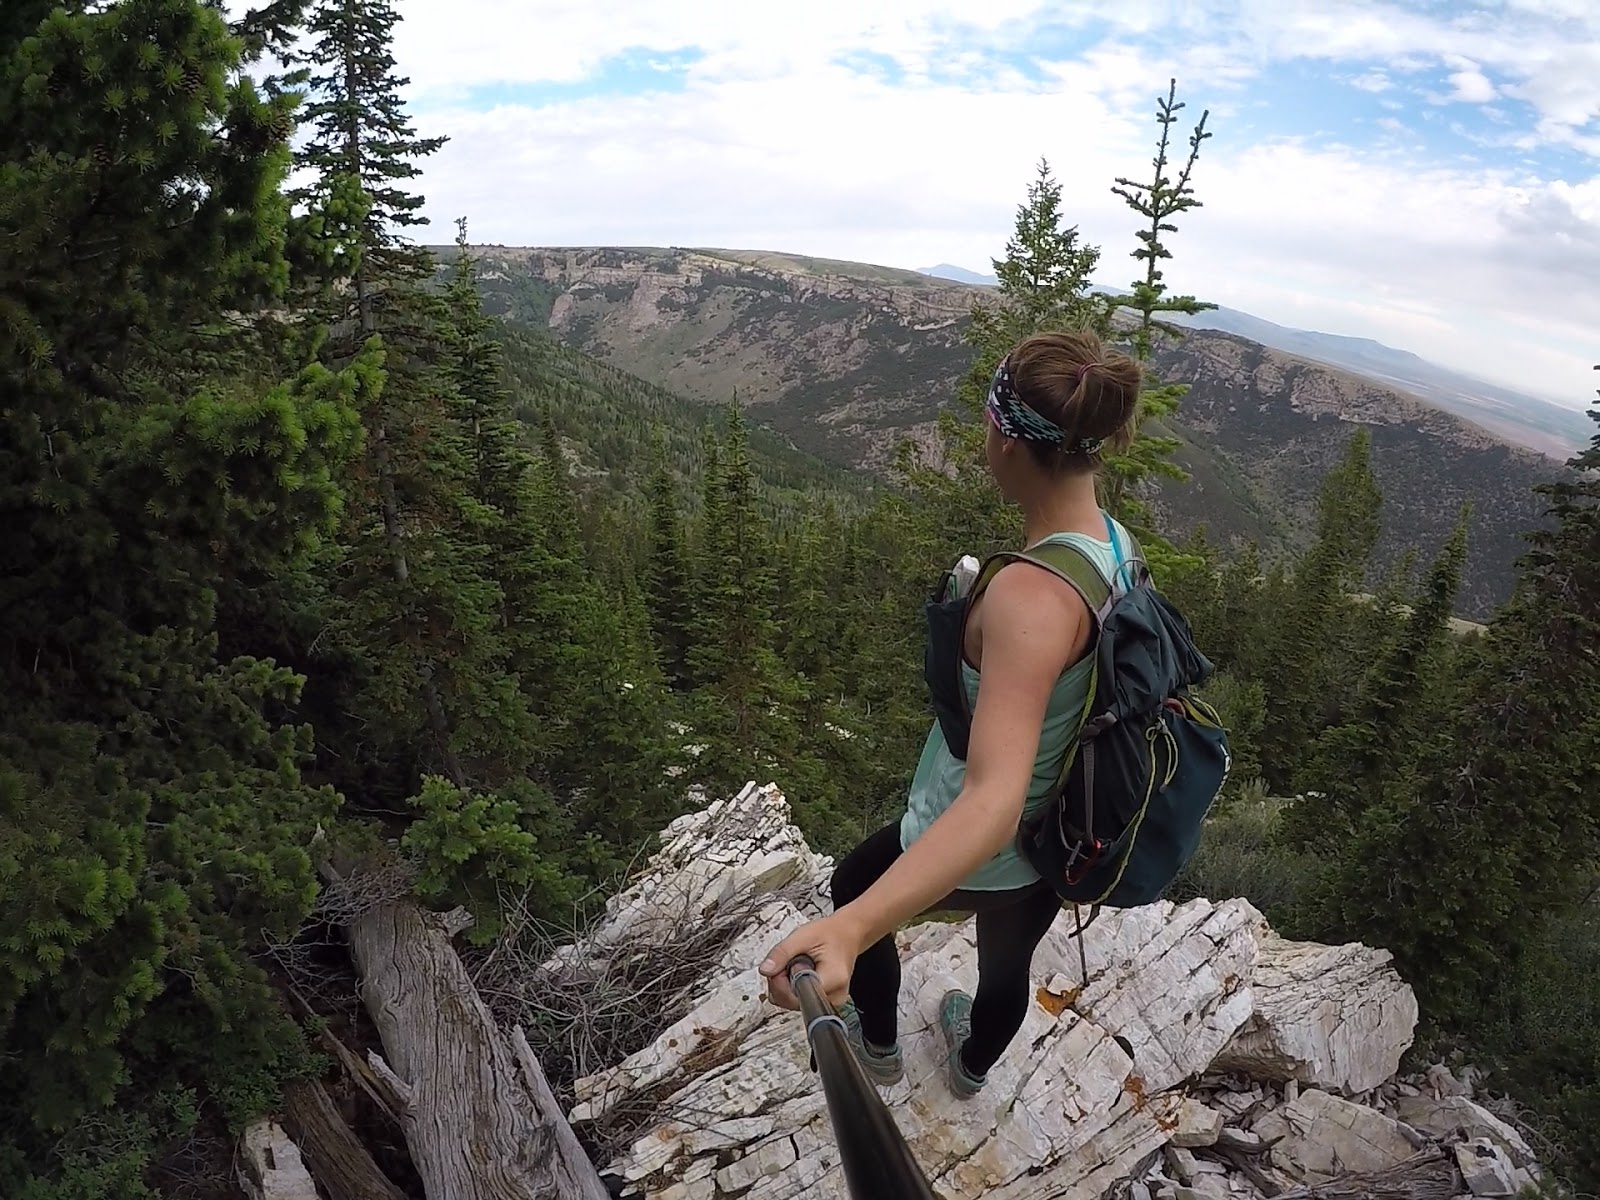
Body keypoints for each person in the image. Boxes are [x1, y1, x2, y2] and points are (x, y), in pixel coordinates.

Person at [759, 329, 1144, 1098]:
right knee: (1006, 964)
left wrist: (853, 929)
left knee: (853, 885)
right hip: (1059, 832)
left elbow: (992, 797)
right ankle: (971, 1069)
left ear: (1005, 439)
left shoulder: (1030, 597)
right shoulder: (1113, 546)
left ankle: (876, 1044)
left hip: (989, 837)